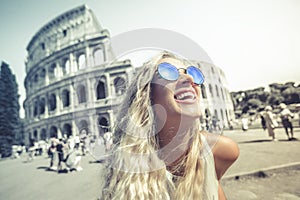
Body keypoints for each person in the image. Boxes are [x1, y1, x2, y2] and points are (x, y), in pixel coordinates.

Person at [101, 51, 239, 200]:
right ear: (147, 96)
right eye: (168, 72)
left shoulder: (221, 150)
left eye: (192, 73)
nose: (188, 78)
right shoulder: (126, 166)